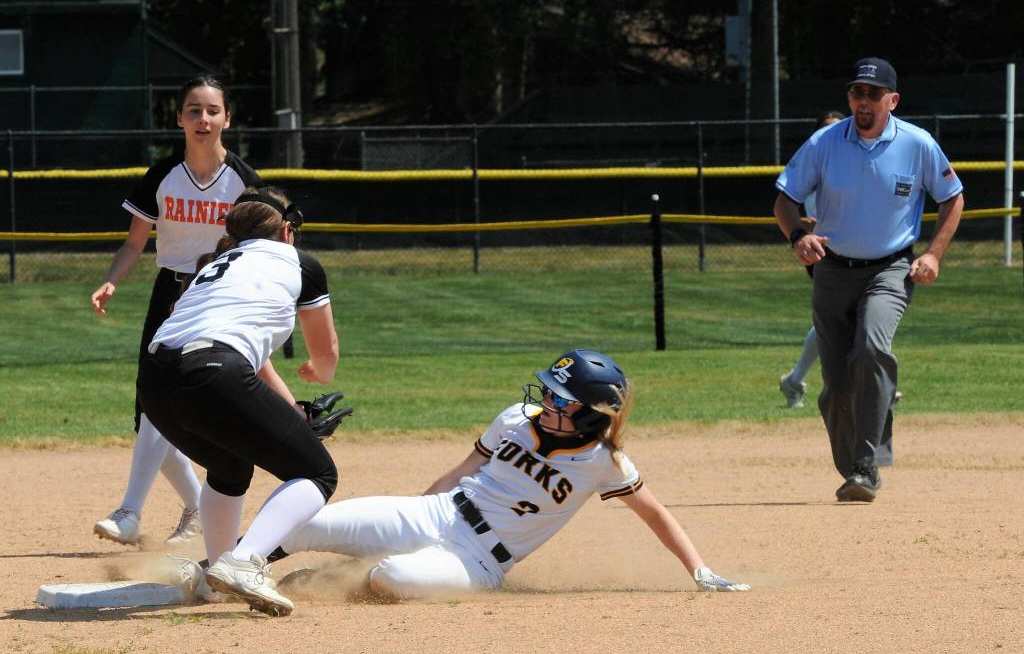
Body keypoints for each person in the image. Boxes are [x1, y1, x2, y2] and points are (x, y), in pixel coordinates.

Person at [258, 349, 749, 600]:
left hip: (478, 561)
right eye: (548, 390)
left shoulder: (604, 462)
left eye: (559, 397)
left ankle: (333, 578)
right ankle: (230, 567)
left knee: (393, 577)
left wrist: (699, 570)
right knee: (303, 524)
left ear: (588, 414)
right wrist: (407, 514)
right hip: (438, 513)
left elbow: (655, 514)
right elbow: (461, 472)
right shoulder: (516, 418)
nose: (546, 399)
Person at [139, 187, 340, 617]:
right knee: (318, 474)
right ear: (287, 230)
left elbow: (244, 355)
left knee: (229, 465)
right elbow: (325, 359)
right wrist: (316, 373)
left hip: (154, 380)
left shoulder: (217, 265)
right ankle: (244, 561)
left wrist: (290, 411)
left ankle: (217, 578)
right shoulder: (298, 262)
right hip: (213, 372)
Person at [773, 57, 964, 503]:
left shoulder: (917, 144)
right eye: (856, 92)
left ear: (892, 100)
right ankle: (858, 464)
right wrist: (798, 235)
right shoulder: (824, 143)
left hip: (891, 268)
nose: (863, 100)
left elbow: (953, 197)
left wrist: (933, 254)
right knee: (837, 387)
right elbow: (784, 199)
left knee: (872, 349)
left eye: (873, 94)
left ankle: (866, 465)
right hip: (832, 270)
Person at [91, 76, 268, 547]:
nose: (202, 119)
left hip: (219, 296)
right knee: (151, 409)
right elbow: (134, 244)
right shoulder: (163, 175)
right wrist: (111, 280)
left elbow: (264, 247)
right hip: (169, 293)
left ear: (227, 119)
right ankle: (193, 508)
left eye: (212, 110)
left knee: (173, 405)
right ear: (179, 119)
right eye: (193, 110)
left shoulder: (245, 182)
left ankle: (131, 510)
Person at [778, 110, 845, 408]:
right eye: (825, 129)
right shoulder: (814, 163)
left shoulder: (853, 162)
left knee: (841, 319)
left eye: (837, 128)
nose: (831, 134)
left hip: (859, 252)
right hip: (825, 252)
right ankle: (869, 382)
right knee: (843, 317)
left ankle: (795, 379)